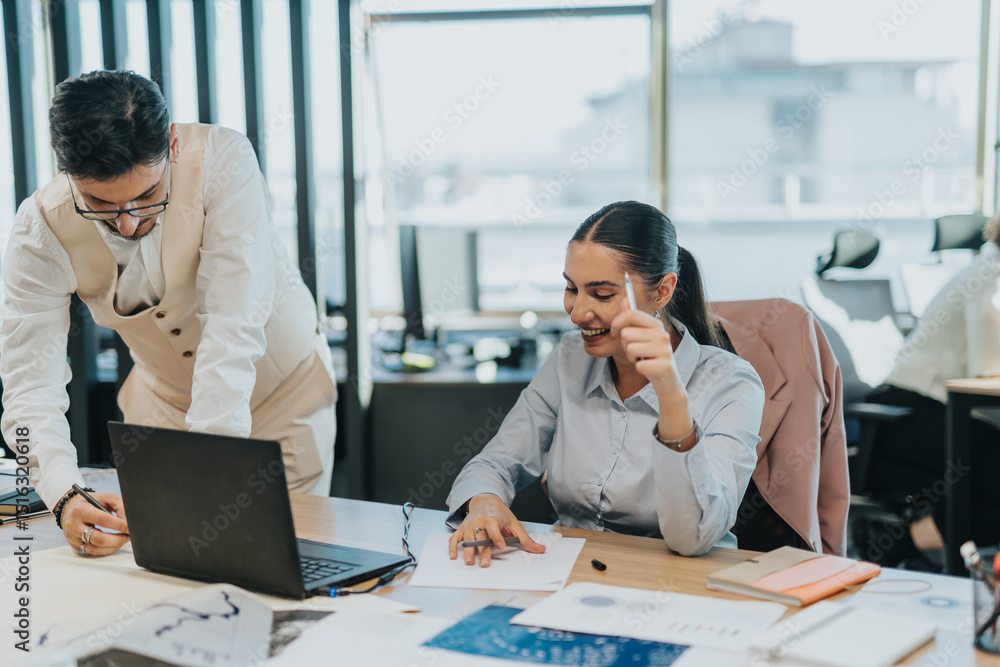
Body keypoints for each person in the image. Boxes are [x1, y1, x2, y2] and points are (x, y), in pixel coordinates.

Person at [0, 70, 337, 557]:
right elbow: (29, 383)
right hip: (161, 407)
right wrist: (62, 493)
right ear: (66, 169)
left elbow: (232, 324)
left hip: (282, 396)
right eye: (99, 204)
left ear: (173, 144)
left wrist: (208, 467)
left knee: (273, 561)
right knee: (159, 572)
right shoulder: (39, 229)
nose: (128, 221)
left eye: (146, 196)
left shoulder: (223, 161)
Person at [446, 201, 765, 566]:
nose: (578, 313)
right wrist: (484, 500)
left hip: (678, 589)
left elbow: (692, 537)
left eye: (602, 294)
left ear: (662, 292)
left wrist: (672, 398)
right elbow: (498, 460)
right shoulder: (570, 359)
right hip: (575, 575)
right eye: (571, 288)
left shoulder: (730, 384)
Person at [857, 213, 1000, 567]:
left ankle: (901, 542)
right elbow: (989, 372)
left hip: (943, 413)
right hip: (902, 415)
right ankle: (902, 543)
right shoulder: (992, 274)